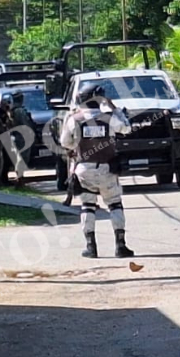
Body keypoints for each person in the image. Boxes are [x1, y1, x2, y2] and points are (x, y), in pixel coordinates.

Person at [59, 83, 135, 258]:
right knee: (115, 204)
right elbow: (127, 128)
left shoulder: (74, 119)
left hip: (84, 168)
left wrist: (76, 145)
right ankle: (120, 245)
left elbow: (65, 142)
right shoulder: (109, 118)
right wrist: (115, 109)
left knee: (87, 206)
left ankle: (91, 247)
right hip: (108, 168)